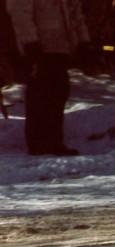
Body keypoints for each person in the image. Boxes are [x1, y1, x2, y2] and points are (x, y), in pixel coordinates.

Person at [7, 0, 92, 155]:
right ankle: (38, 143)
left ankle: (54, 142)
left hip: (61, 47)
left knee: (58, 93)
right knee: (40, 94)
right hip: (40, 47)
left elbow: (75, 14)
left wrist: (83, 41)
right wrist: (30, 42)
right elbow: (20, 13)